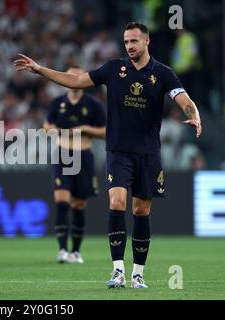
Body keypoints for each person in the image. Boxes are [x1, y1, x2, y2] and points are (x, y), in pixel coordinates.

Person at [14, 22, 202, 289]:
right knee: (116, 202)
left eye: (134, 41)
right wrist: (40, 70)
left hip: (148, 153)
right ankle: (117, 271)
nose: (130, 46)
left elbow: (183, 100)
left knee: (141, 210)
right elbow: (77, 80)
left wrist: (194, 116)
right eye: (126, 42)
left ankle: (138, 273)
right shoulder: (115, 69)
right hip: (118, 151)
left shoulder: (163, 74)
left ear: (147, 42)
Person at [43, 65, 106, 264]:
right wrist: (53, 130)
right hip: (62, 154)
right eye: (70, 75)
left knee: (79, 204)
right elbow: (46, 126)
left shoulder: (93, 105)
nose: (74, 79)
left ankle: (76, 251)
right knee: (61, 200)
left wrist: (86, 128)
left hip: (83, 155)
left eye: (77, 76)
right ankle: (62, 250)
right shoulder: (57, 103)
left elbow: (105, 132)